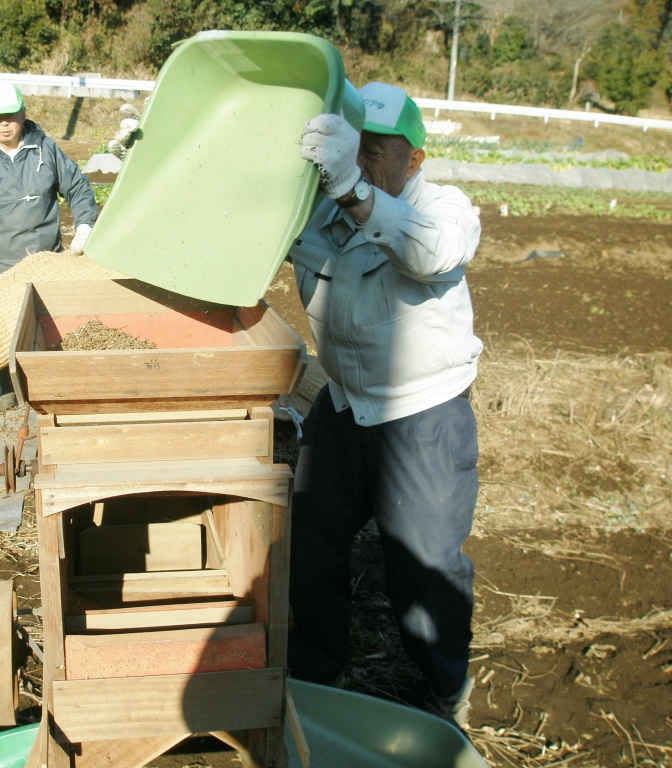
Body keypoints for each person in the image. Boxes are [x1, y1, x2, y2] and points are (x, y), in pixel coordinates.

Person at [286, 81, 482, 728]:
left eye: (379, 150)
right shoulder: (317, 212)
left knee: (423, 566)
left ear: (416, 158)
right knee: (310, 543)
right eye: (354, 147)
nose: (363, 161)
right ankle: (316, 677)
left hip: (422, 414)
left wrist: (354, 190)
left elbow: (432, 255)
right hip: (343, 406)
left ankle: (445, 690)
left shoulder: (444, 208)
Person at [0, 82, 98, 294]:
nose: (4, 123)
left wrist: (85, 226)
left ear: (23, 113)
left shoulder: (45, 149)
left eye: (10, 115)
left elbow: (77, 187)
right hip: (1, 271)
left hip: (48, 263)